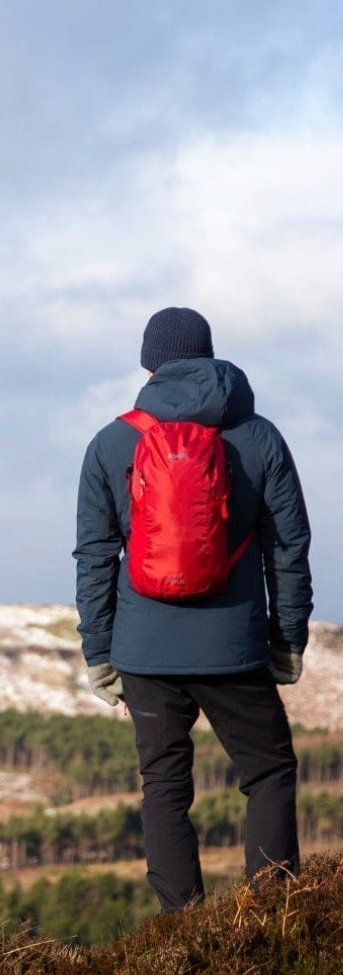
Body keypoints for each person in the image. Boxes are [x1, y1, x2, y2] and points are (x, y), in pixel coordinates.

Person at [73, 306, 313, 913]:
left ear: (149, 364)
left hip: (144, 653)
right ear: (209, 357)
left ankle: (181, 930)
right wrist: (288, 639)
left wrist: (99, 652)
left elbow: (95, 557)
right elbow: (288, 547)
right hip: (233, 649)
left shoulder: (111, 443)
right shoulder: (259, 437)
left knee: (164, 786)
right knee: (268, 772)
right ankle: (273, 917)